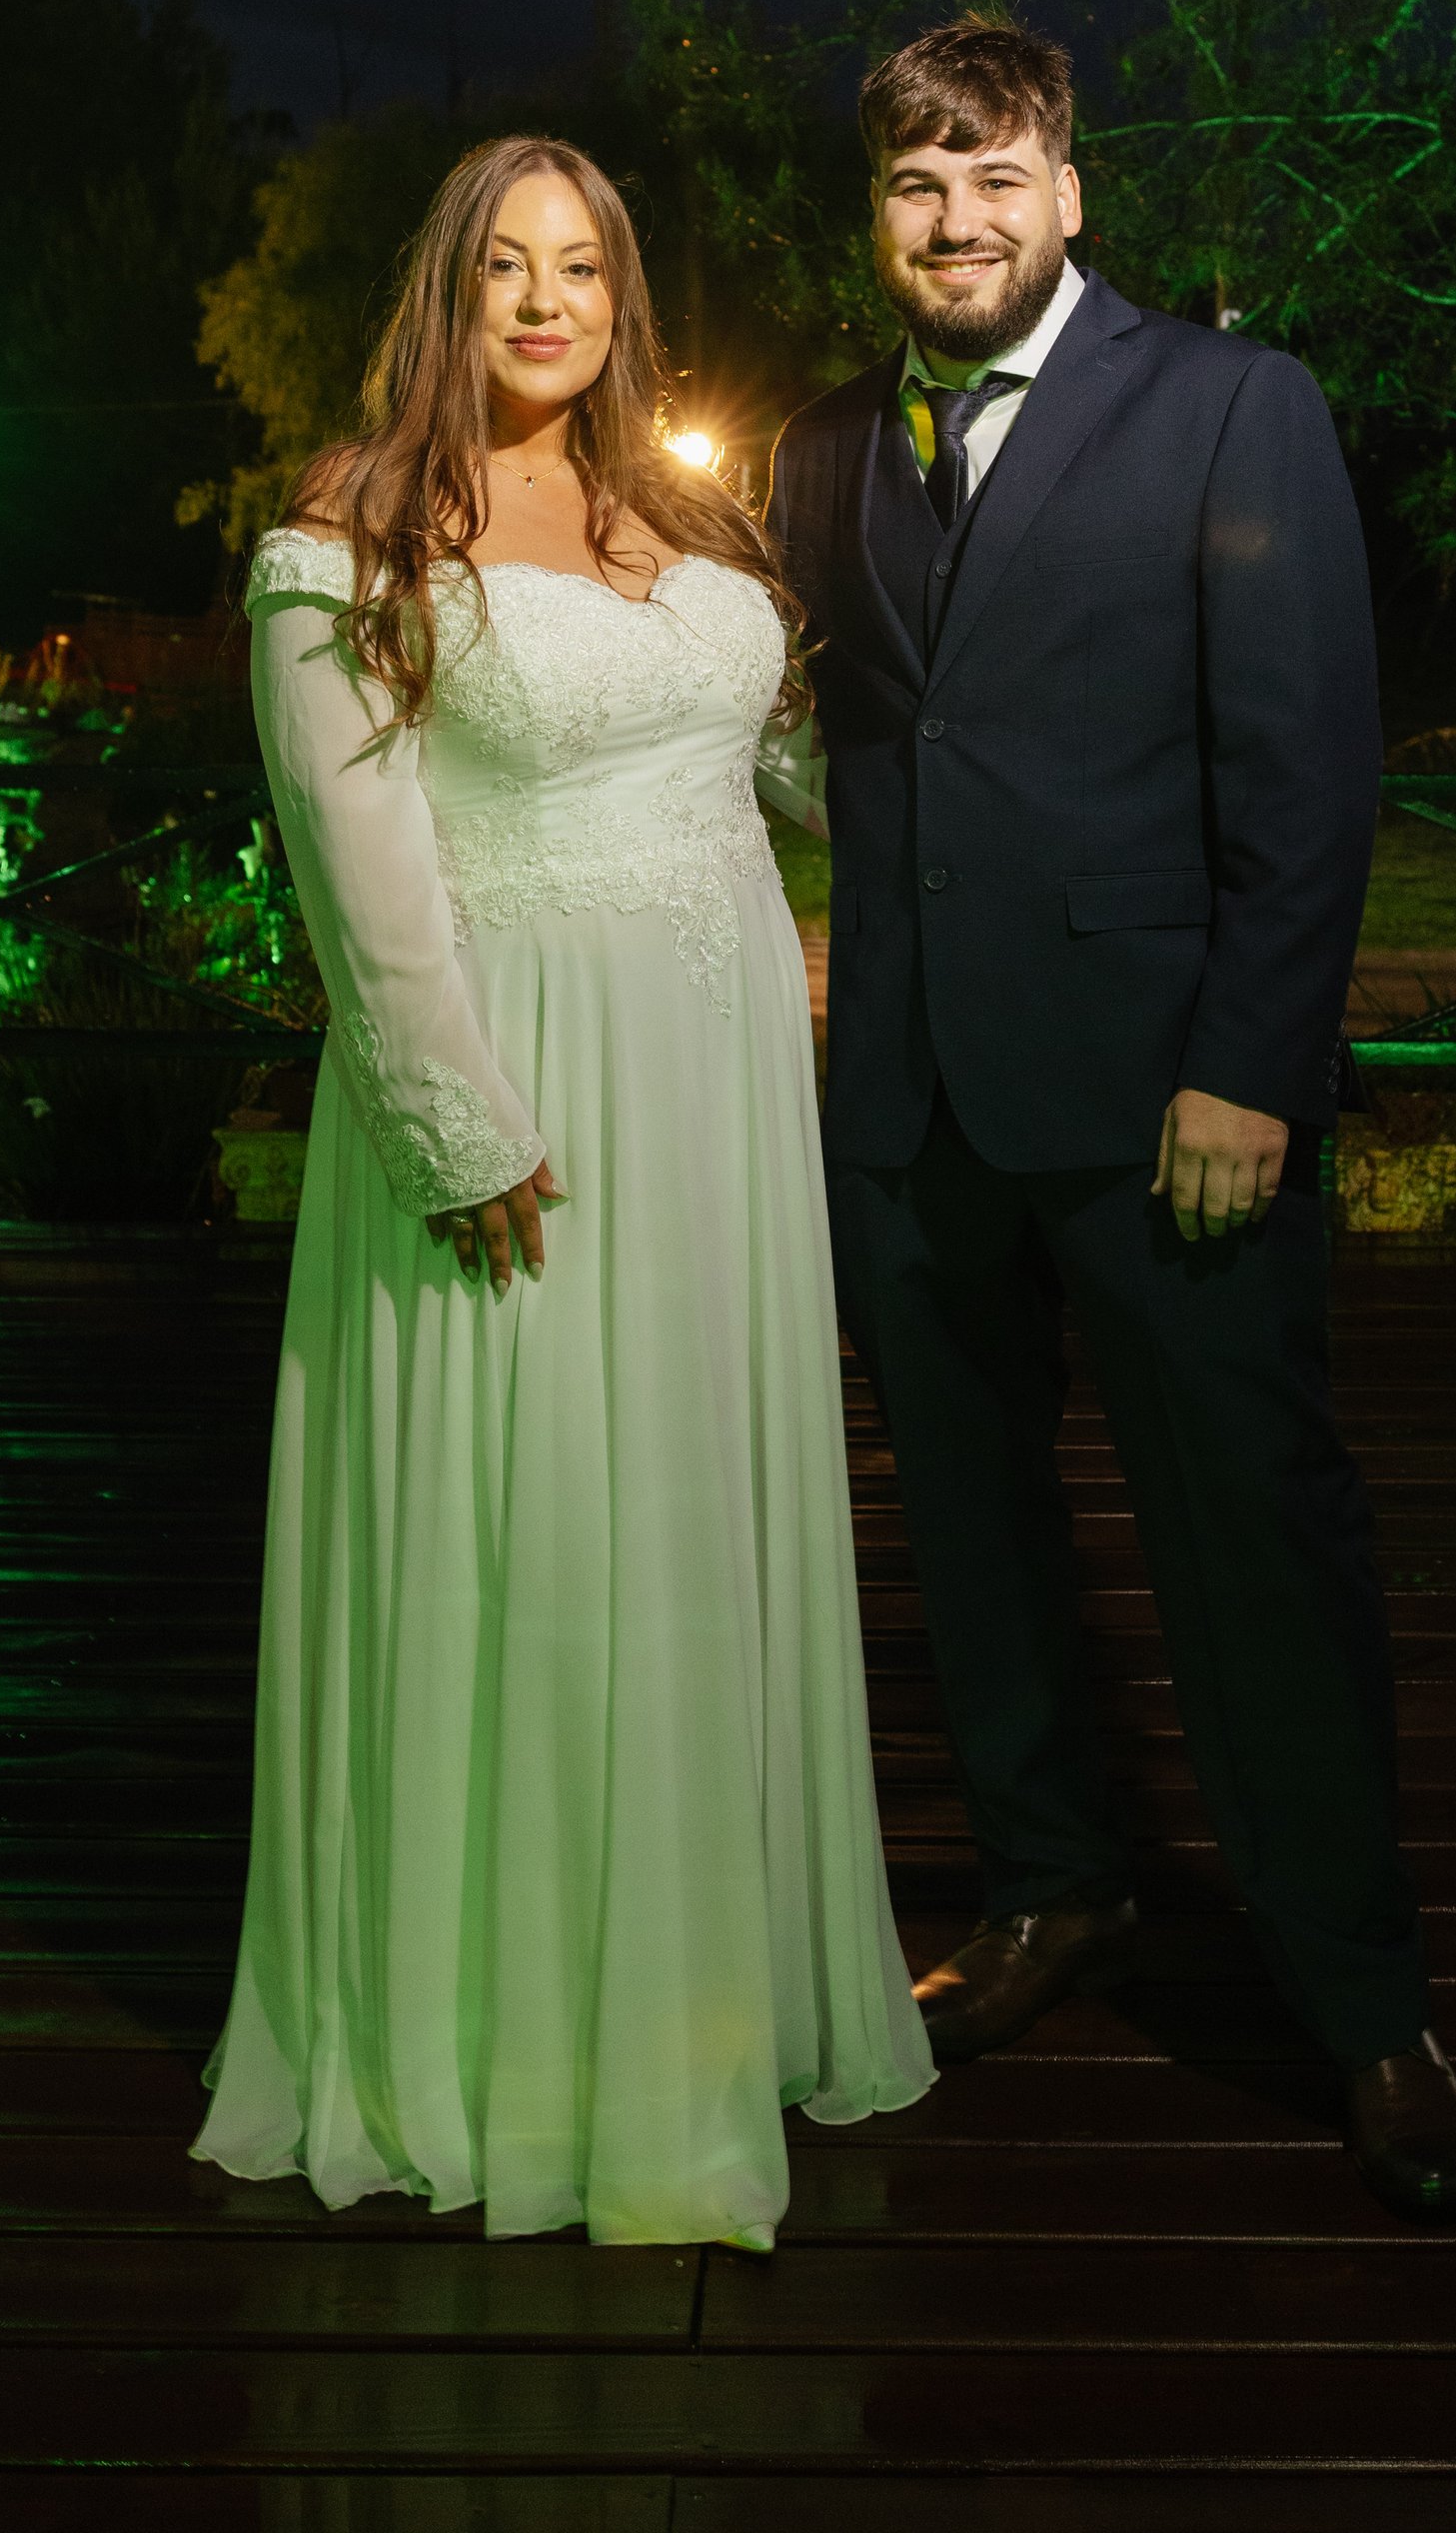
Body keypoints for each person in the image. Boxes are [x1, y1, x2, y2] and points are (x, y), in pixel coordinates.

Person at [766, 18, 1456, 2220]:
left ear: (1068, 192)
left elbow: (1306, 765)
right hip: (910, 1107)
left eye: (994, 177)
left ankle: (1362, 1999)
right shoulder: (821, 444)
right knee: (974, 1536)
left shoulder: (1229, 406)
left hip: (1167, 1100)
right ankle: (1051, 1887)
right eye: (915, 185)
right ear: (876, 216)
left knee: (1253, 1535)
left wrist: (1252, 1063)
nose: (953, 220)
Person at [194, 135, 931, 2250]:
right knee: (529, 1520)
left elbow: (791, 770)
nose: (544, 301)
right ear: (447, 292)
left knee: (689, 1504)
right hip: (520, 1085)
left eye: (582, 265)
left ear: (622, 298)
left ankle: (706, 1995)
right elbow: (355, 862)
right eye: (505, 265)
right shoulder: (348, 532)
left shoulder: (687, 521)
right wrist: (456, 1122)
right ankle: (507, 2040)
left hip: (718, 1096)